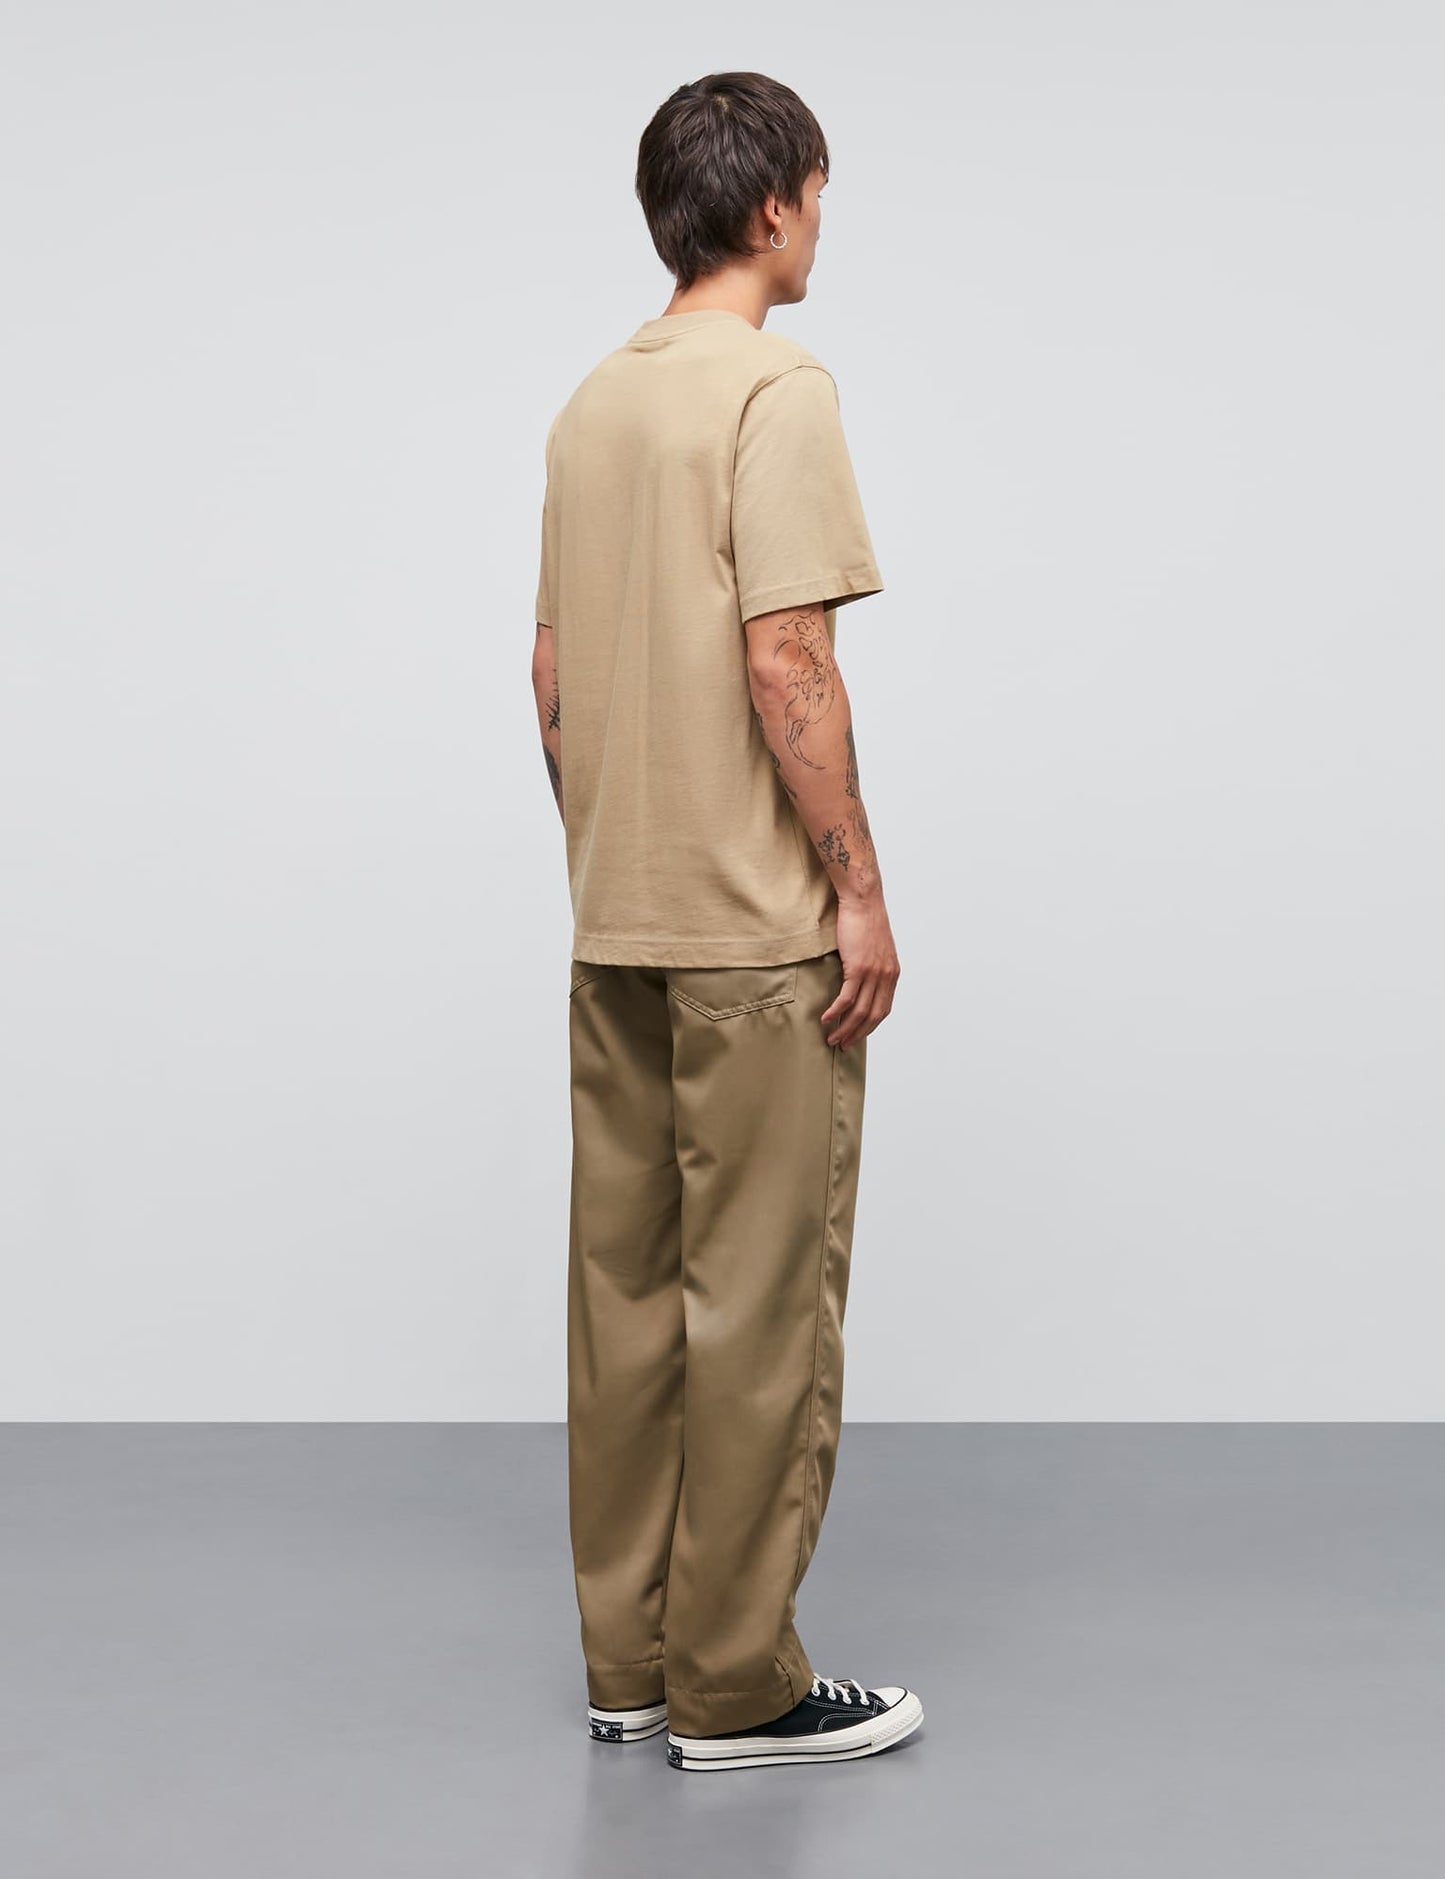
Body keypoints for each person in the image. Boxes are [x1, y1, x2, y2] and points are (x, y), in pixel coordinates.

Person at [530, 70, 923, 1773]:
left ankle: (627, 1665)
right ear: (772, 205)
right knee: (755, 1313)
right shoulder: (776, 389)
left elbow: (550, 678)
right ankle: (737, 1686)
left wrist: (615, 851)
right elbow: (787, 658)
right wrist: (857, 887)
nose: (821, 226)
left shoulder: (589, 408)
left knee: (622, 1308)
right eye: (818, 198)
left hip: (614, 926)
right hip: (756, 945)